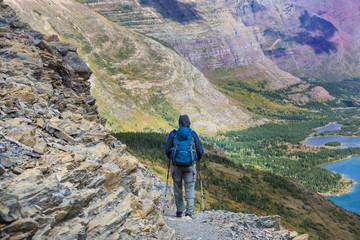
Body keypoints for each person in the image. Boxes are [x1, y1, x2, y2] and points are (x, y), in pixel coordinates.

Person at [165, 115, 203, 218]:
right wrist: (197, 158)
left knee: (177, 187)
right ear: (188, 122)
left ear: (179, 123)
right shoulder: (193, 134)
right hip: (190, 165)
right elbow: (200, 150)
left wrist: (171, 158)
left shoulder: (173, 133)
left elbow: (167, 150)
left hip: (176, 165)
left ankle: (179, 211)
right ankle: (189, 212)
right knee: (189, 188)